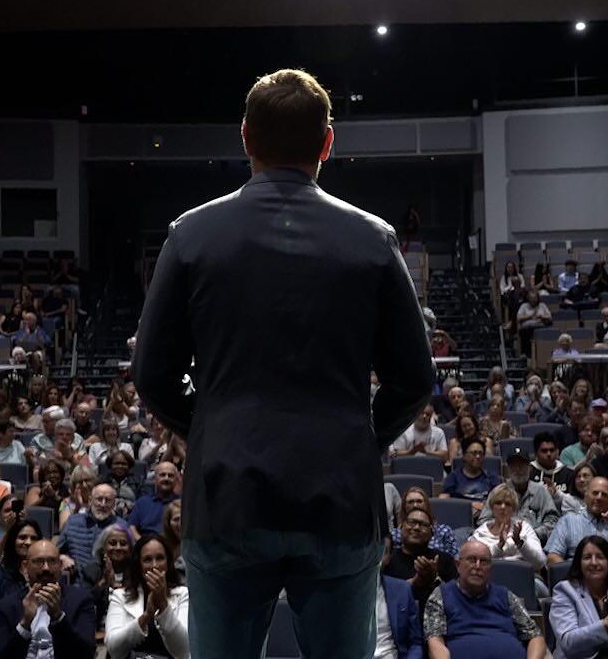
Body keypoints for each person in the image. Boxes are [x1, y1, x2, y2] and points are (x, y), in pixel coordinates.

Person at [132, 69, 434, 658]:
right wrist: (362, 437)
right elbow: (415, 379)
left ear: (245, 138)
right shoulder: (374, 240)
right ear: (327, 142)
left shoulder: (189, 236)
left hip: (227, 500)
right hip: (341, 500)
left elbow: (151, 374)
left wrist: (210, 427)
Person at [422, 541, 547, 659]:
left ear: (490, 569)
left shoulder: (505, 595)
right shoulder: (441, 595)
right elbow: (434, 641)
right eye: (471, 559)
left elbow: (535, 636)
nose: (477, 566)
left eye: (484, 561)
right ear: (457, 565)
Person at [0, 539, 96, 659]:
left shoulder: (81, 600)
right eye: (38, 561)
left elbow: (87, 654)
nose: (46, 568)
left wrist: (58, 617)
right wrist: (25, 623)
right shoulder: (5, 607)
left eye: (52, 561)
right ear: (25, 567)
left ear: (60, 566)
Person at [104, 534, 191, 659]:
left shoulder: (183, 594)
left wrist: (164, 607)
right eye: (147, 560)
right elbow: (114, 649)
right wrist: (145, 617)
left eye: (160, 558)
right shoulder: (120, 596)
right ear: (138, 564)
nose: (154, 565)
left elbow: (183, 651)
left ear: (168, 562)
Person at [545, 477, 608, 568]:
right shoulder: (567, 521)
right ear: (585, 496)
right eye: (595, 493)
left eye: (604, 495)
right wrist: (578, 577)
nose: (599, 498)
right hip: (576, 582)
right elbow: (552, 558)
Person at [474, 449, 558, 543]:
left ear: (529, 468)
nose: (518, 469)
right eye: (513, 465)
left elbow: (552, 520)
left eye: (522, 465)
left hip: (534, 542)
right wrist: (502, 532)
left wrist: (532, 534)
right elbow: (483, 521)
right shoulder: (498, 491)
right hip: (500, 541)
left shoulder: (541, 491)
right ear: (508, 469)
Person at [384, 507, 458, 608]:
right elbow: (381, 595)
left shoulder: (444, 559)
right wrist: (415, 582)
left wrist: (435, 580)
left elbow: (456, 596)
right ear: (401, 527)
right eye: (411, 522)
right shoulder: (388, 559)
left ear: (432, 533)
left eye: (423, 525)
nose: (416, 528)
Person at [470, 484, 546, 572]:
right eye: (498, 503)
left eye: (508, 504)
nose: (503, 507)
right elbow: (475, 564)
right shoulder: (480, 534)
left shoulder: (524, 529)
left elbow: (540, 563)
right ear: (491, 507)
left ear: (514, 509)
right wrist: (499, 546)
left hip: (522, 576)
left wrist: (520, 543)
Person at [0, 518, 42, 610]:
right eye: (22, 537)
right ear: (13, 541)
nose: (28, 542)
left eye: (34, 538)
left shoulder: (46, 573)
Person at [390, 487, 460, 557]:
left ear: (426, 504)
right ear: (404, 506)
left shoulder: (444, 531)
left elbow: (455, 560)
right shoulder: (394, 534)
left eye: (419, 501)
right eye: (410, 502)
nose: (415, 505)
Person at [439, 437, 501, 511]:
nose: (478, 456)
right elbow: (442, 501)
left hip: (485, 516)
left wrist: (486, 505)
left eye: (481, 453)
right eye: (474, 453)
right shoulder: (453, 477)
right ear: (464, 456)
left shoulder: (492, 478)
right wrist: (469, 505)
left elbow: (500, 500)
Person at [128, 461, 181, 537]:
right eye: (162, 475)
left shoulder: (181, 504)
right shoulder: (142, 502)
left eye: (170, 476)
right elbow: (131, 527)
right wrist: (142, 543)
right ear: (155, 479)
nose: (166, 478)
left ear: (176, 480)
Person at [528, 432, 574, 508]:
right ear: (536, 454)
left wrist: (557, 494)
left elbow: (574, 502)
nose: (549, 454)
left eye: (552, 450)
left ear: (557, 452)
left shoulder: (568, 474)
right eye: (544, 451)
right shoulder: (529, 472)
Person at [515, 292, 553, 358]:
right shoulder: (524, 306)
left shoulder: (542, 305)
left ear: (538, 298)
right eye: (531, 298)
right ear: (528, 298)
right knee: (525, 332)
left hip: (540, 326)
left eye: (535, 298)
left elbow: (550, 317)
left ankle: (543, 353)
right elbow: (518, 318)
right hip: (527, 327)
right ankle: (527, 354)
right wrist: (530, 316)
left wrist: (542, 316)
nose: (533, 299)